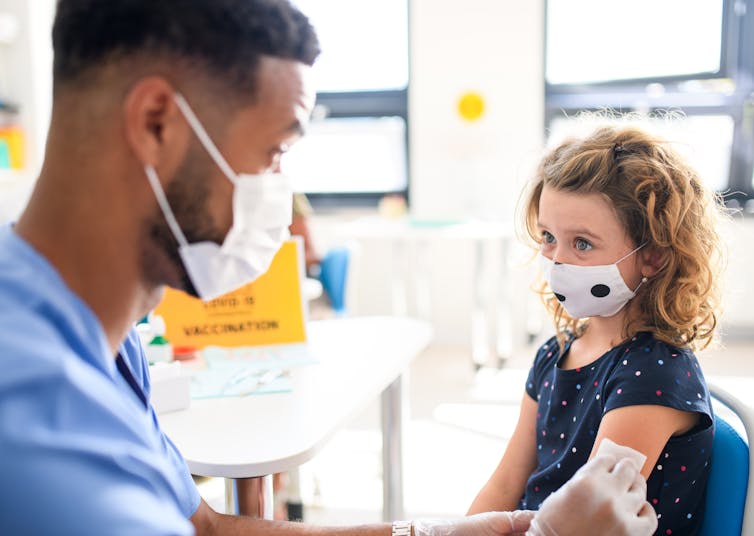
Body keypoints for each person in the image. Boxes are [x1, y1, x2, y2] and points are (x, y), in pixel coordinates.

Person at [0, 1, 657, 534]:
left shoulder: (96, 337)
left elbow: (205, 528)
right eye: (276, 150)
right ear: (157, 123)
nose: (284, 195)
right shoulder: (33, 420)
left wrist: (422, 534)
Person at [467, 122, 724, 535]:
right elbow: (505, 483)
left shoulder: (655, 376)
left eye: (582, 243)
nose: (558, 260)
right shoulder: (555, 353)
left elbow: (586, 521)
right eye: (548, 237)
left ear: (654, 256)